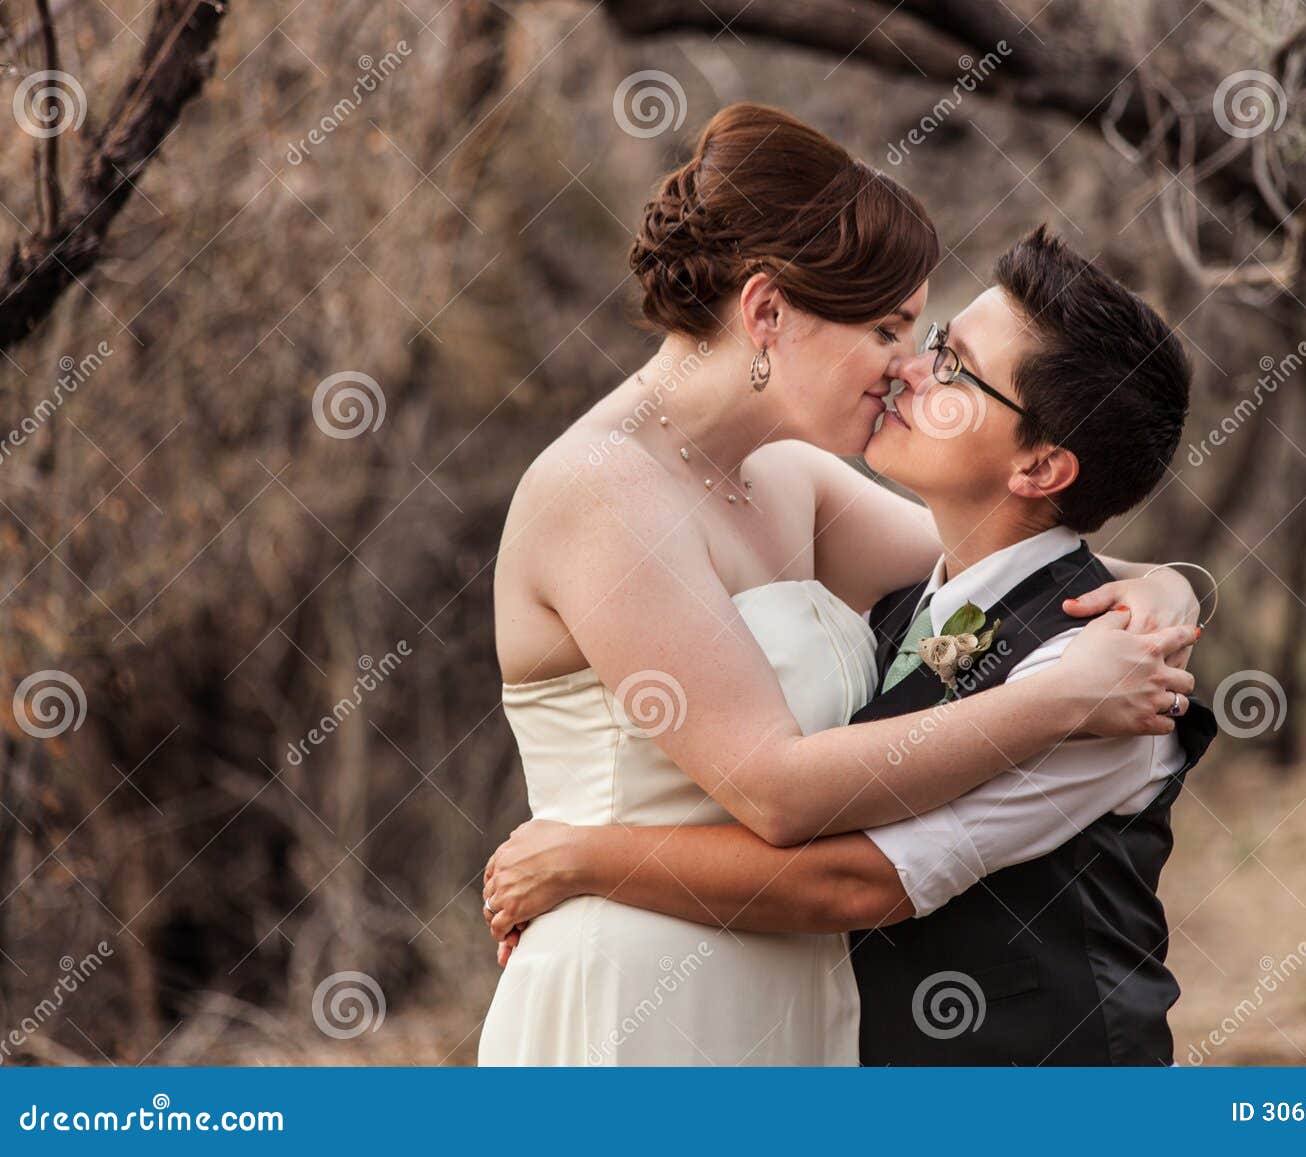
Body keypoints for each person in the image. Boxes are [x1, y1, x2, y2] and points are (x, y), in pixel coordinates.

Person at [477, 105, 1199, 1067]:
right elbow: (775, 790)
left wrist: (1170, 584)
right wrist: (1060, 699)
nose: (908, 369)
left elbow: (1005, 568)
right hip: (641, 993)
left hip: (799, 998)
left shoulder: (790, 481)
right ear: (767, 311)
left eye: (926, 340)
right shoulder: (597, 496)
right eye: (892, 330)